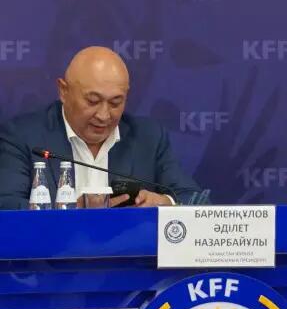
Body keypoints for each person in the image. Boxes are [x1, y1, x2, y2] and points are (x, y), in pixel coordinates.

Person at [0, 46, 201, 209]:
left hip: (129, 247)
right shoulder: (22, 136)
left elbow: (195, 199)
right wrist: (69, 210)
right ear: (63, 91)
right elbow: (7, 205)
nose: (104, 115)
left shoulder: (148, 137)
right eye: (93, 101)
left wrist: (165, 202)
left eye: (115, 103)